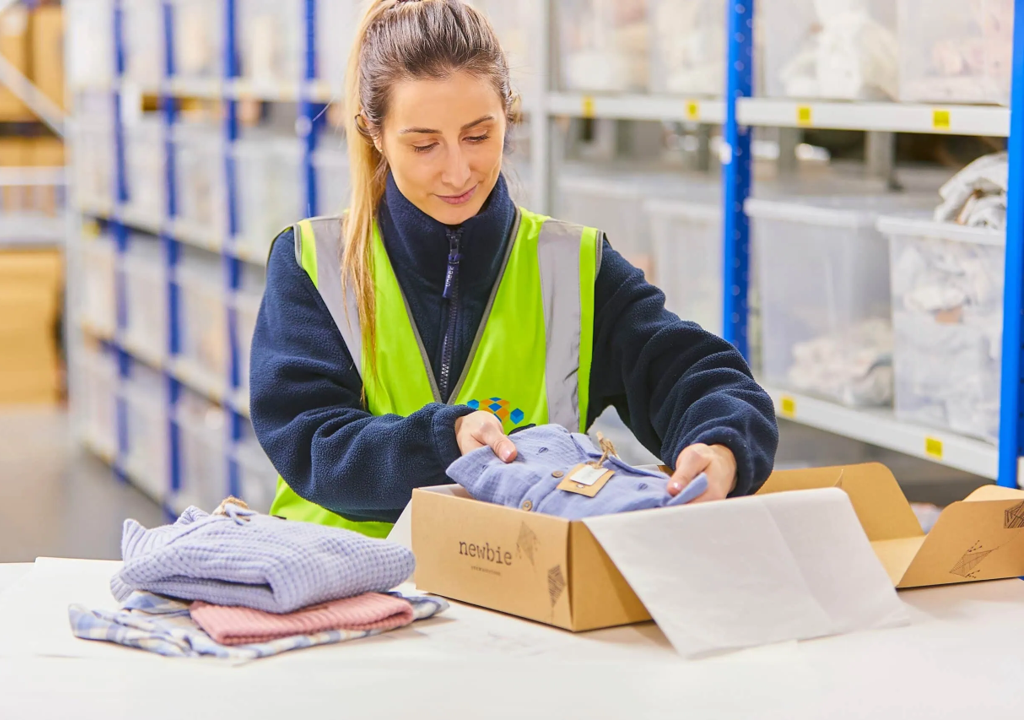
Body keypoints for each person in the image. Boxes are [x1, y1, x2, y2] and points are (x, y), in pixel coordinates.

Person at [250, 0, 778, 538]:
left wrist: (720, 445)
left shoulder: (573, 266)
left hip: (512, 596)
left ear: (509, 112)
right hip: (344, 589)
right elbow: (309, 439)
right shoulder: (313, 262)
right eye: (425, 144)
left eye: (479, 136)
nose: (458, 171)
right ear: (373, 132)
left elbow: (695, 374)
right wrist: (443, 441)